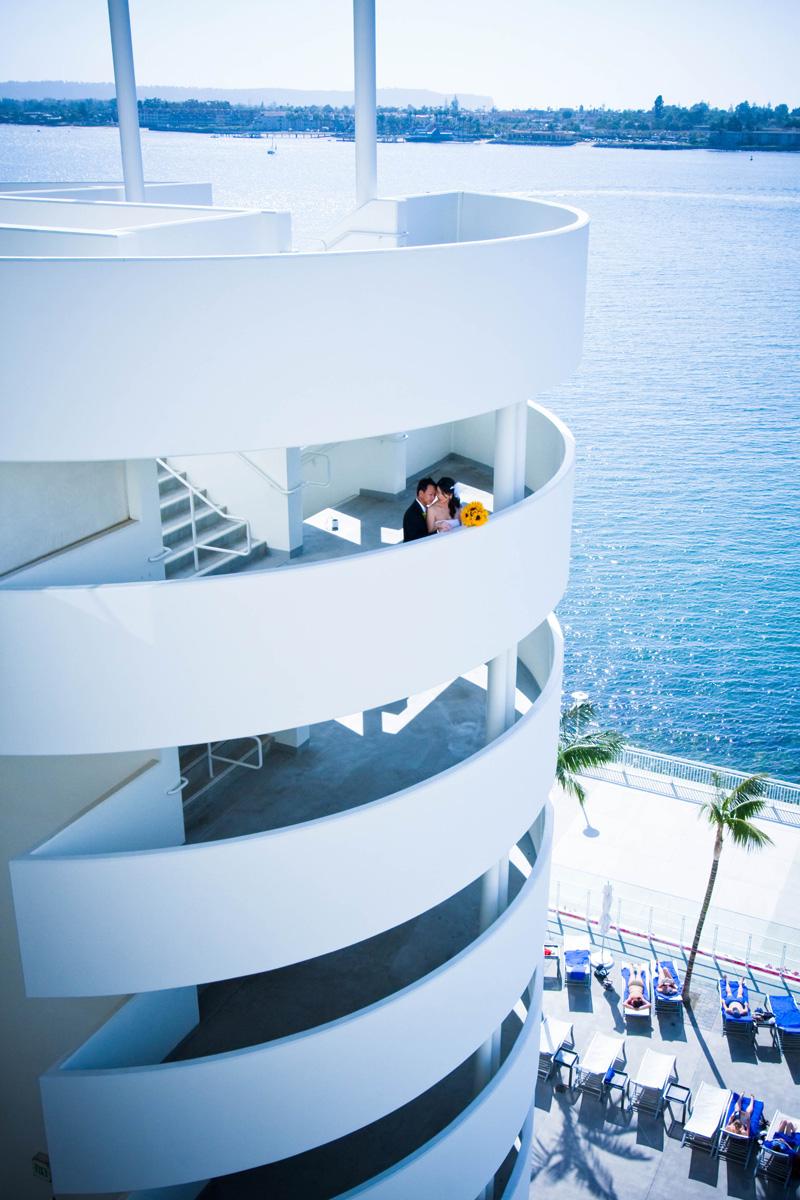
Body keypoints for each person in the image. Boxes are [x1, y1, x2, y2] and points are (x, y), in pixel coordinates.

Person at [402, 477, 437, 542]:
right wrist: (437, 531)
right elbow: (413, 539)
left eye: (434, 495)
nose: (433, 498)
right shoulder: (411, 514)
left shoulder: (427, 508)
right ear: (421, 494)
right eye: (430, 494)